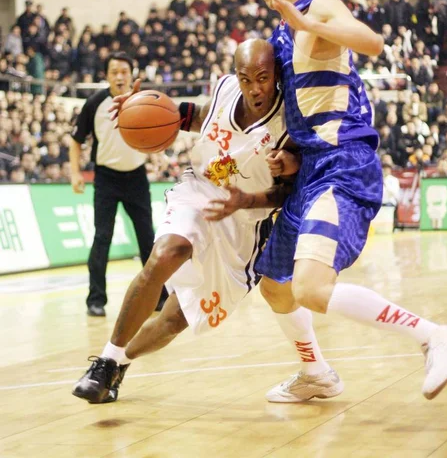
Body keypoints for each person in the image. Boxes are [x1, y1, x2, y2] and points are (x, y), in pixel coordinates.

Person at [229, 0, 447, 402]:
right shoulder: (283, 29)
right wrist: (291, 155)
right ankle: (316, 373)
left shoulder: (316, 8)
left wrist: (309, 26)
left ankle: (435, 336)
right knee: (276, 286)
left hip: (342, 165)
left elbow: (370, 41)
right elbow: (305, 105)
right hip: (312, 170)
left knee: (312, 288)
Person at [72, 39, 342, 404]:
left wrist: (250, 198)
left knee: (175, 319)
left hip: (246, 224)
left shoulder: (289, 122)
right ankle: (105, 360)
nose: (254, 87)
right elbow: (200, 116)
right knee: (166, 253)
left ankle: (121, 363)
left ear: (276, 76)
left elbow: (286, 193)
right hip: (202, 188)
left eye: (263, 78)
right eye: (246, 78)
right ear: (235, 76)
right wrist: (141, 109)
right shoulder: (226, 90)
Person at [70, 51, 168, 317]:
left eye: (124, 71)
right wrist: (75, 172)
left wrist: (159, 156)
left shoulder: (143, 101)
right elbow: (76, 140)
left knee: (148, 237)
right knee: (102, 237)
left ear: (132, 74)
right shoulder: (94, 103)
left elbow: (158, 132)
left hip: (136, 176)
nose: (120, 76)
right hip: (106, 179)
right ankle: (96, 299)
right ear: (106, 75)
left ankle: (160, 296)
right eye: (114, 72)